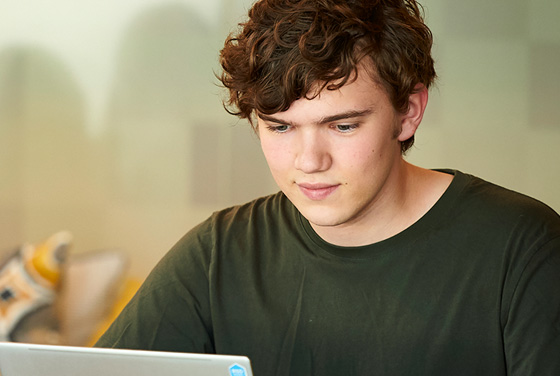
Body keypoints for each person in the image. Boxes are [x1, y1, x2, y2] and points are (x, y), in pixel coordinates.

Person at [95, 0, 560, 375]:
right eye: (280, 128)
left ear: (409, 112)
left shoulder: (525, 247)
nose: (309, 162)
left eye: (341, 126)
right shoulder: (220, 254)